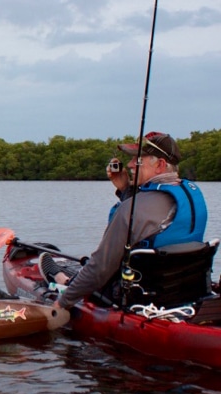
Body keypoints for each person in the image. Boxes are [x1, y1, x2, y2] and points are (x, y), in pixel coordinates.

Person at [40, 131, 208, 309]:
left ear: (160, 165)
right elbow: (150, 220)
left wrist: (62, 303)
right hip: (185, 290)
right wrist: (126, 189)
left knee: (88, 272)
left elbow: (100, 269)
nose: (129, 164)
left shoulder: (130, 210)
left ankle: (61, 280)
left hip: (138, 299)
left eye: (138, 159)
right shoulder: (194, 196)